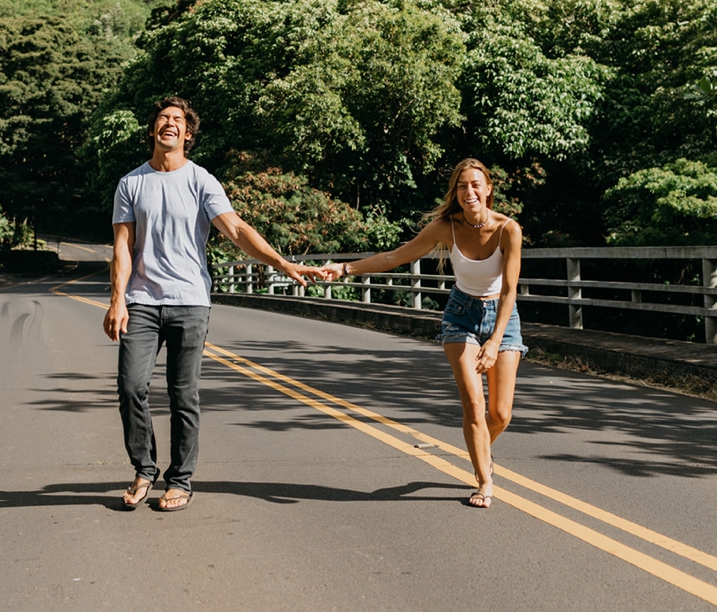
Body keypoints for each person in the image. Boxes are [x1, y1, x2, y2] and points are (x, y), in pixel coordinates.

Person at [104, 96, 322, 512]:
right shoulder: (131, 183)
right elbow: (123, 247)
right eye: (163, 119)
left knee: (183, 393)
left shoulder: (202, 180)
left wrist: (282, 262)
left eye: (178, 120)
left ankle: (180, 480)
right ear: (153, 130)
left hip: (189, 301)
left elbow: (237, 229)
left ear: (188, 134)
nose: (169, 124)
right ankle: (144, 469)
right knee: (131, 386)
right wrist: (117, 301)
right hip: (143, 300)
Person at [315, 157, 525, 509]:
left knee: (500, 414)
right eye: (462, 186)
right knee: (474, 405)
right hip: (461, 315)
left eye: (475, 184)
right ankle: (484, 478)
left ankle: (479, 449)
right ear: (455, 193)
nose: (469, 192)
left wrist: (493, 341)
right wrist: (344, 268)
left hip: (503, 318)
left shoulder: (508, 230)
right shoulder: (447, 227)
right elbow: (394, 258)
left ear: (489, 189)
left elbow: (509, 291)